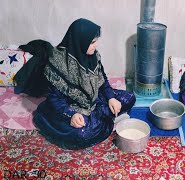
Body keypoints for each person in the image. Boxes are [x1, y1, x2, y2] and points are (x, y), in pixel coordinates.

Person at [33, 18, 136, 150]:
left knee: (129, 98)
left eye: (96, 41)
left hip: (95, 98)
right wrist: (71, 115)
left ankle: (101, 116)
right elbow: (54, 99)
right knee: (82, 134)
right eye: (92, 42)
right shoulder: (57, 63)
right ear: (79, 42)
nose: (96, 45)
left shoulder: (93, 56)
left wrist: (111, 97)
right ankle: (105, 118)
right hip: (72, 107)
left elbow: (102, 80)